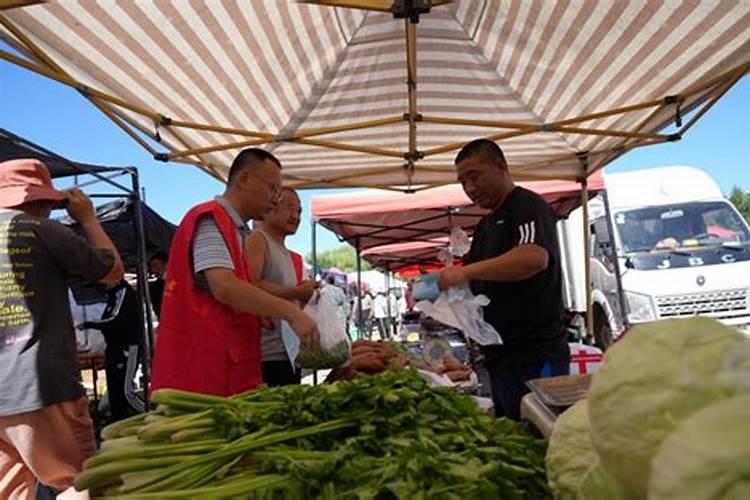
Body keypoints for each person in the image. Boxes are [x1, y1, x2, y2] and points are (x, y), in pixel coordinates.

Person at [0, 159, 124, 499]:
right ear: (44, 200)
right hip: (44, 388)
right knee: (76, 483)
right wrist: (87, 218)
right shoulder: (43, 229)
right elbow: (112, 272)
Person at [151, 149, 318, 397]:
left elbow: (227, 290)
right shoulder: (210, 218)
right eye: (273, 189)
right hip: (201, 374)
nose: (275, 199)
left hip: (225, 370)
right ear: (244, 179)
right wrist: (291, 312)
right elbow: (224, 286)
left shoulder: (237, 232)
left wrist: (259, 310)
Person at [437, 139, 570, 420]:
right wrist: (441, 284)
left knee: (540, 434)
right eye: (462, 181)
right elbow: (474, 278)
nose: (469, 188)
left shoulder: (526, 205)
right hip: (500, 357)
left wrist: (464, 272)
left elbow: (534, 258)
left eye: (474, 176)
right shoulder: (486, 224)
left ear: (501, 166)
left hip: (535, 355)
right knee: (513, 432)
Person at [245, 188, 316, 386]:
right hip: (268, 354)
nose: (296, 216)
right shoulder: (258, 239)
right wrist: (297, 292)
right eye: (290, 208)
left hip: (290, 349)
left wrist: (304, 292)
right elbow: (250, 285)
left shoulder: (284, 251)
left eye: (300, 211)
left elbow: (277, 290)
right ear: (270, 209)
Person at [78, 280, 145, 422]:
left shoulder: (124, 293)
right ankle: (119, 420)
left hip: (127, 348)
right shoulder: (113, 295)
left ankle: (148, 413)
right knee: (115, 391)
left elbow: (115, 321)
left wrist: (90, 323)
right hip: (114, 348)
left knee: (126, 392)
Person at [147, 251, 168, 319]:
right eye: (152, 267)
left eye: (155, 265)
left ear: (166, 264)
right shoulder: (155, 287)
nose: (153, 270)